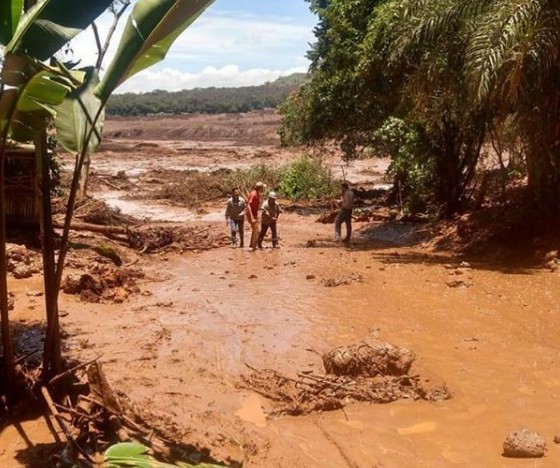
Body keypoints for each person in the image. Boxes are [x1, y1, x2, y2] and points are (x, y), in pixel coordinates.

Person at [246, 181, 265, 250]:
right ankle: (253, 247)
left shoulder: (257, 194)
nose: (263, 189)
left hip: (254, 214)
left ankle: (252, 244)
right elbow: (248, 205)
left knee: (255, 230)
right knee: (256, 230)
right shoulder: (253, 194)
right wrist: (252, 217)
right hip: (251, 215)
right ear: (260, 188)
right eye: (263, 188)